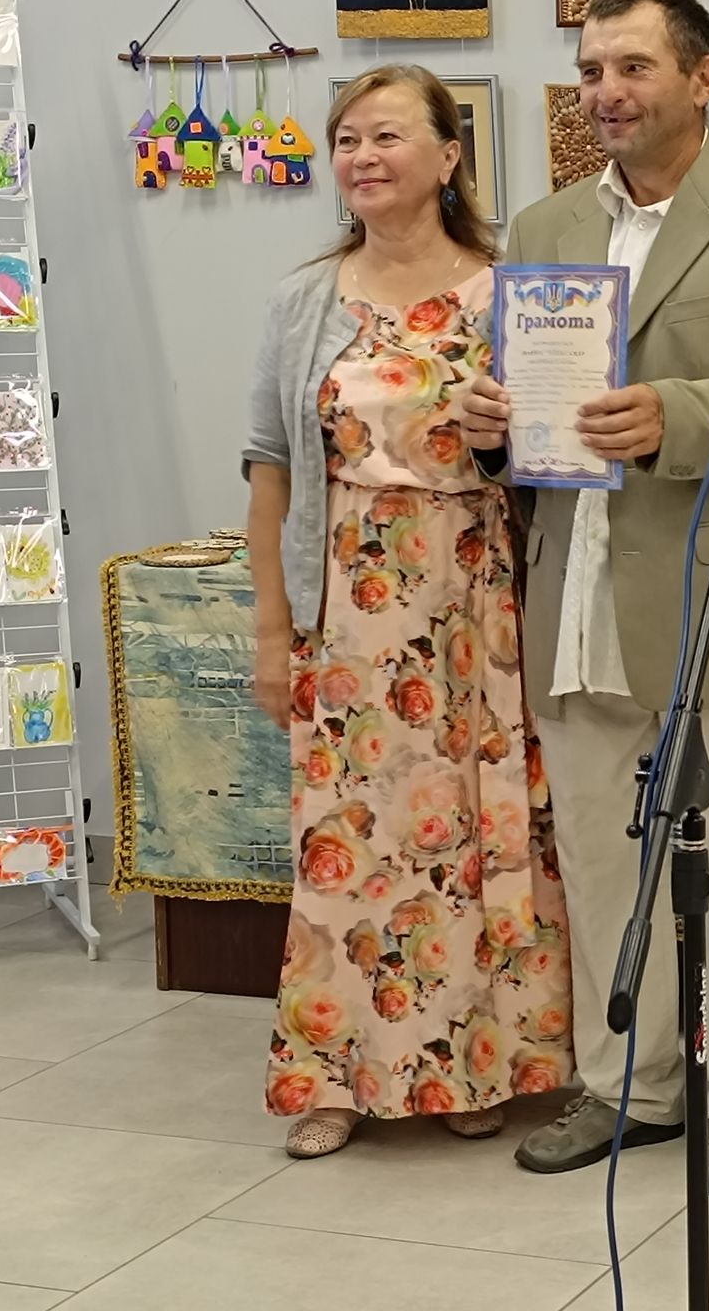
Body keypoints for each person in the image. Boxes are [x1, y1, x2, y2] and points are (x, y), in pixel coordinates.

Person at [460, 0, 709, 1194]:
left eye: (632, 67)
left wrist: (675, 418)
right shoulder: (542, 226)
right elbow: (520, 397)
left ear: (702, 77)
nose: (606, 93)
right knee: (597, 853)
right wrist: (490, 426)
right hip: (574, 583)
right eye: (590, 71)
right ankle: (625, 1086)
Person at [243, 65, 573, 1159]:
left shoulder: (510, 291)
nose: (363, 157)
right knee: (349, 837)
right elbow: (269, 471)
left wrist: (507, 435)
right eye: (347, 139)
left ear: (449, 155)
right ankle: (337, 1080)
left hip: (474, 603)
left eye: (387, 135)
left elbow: (560, 456)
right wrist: (273, 629)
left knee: (473, 834)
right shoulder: (303, 298)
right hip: (347, 608)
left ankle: (477, 1065)